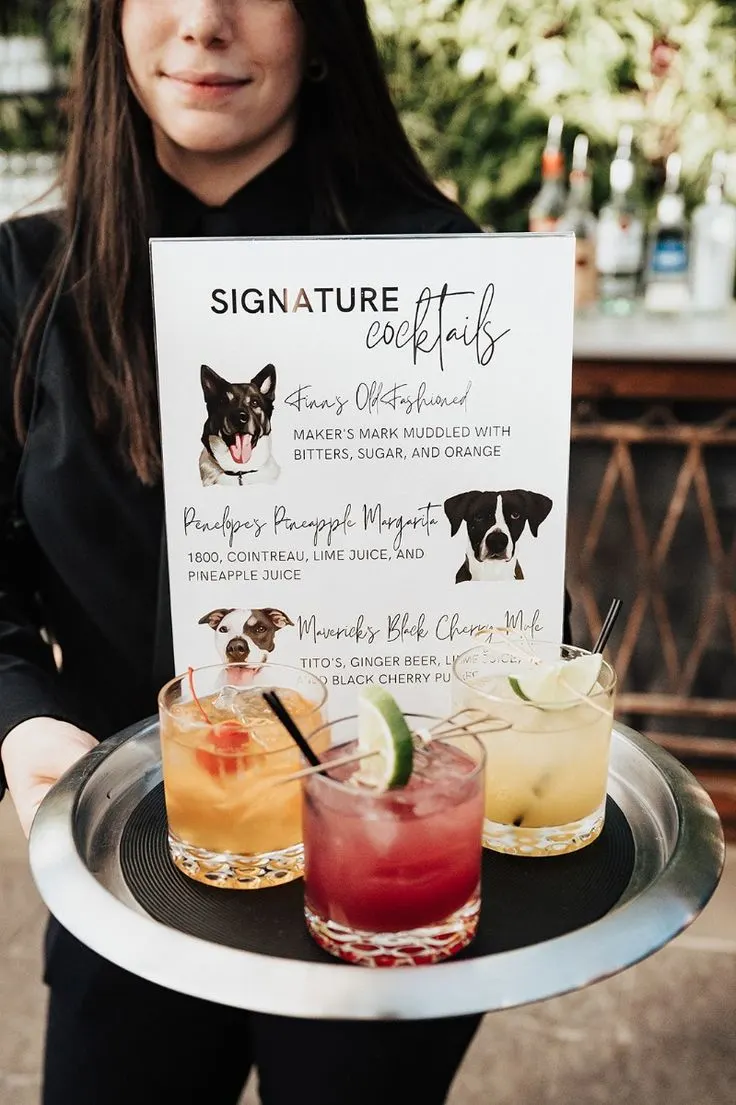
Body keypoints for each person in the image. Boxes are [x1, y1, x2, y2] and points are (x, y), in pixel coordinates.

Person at [0, 2, 502, 1103]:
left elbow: (501, 572)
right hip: (130, 845)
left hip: (379, 846)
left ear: (320, 22)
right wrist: (25, 713)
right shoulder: (26, 276)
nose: (204, 23)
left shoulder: (439, 274)